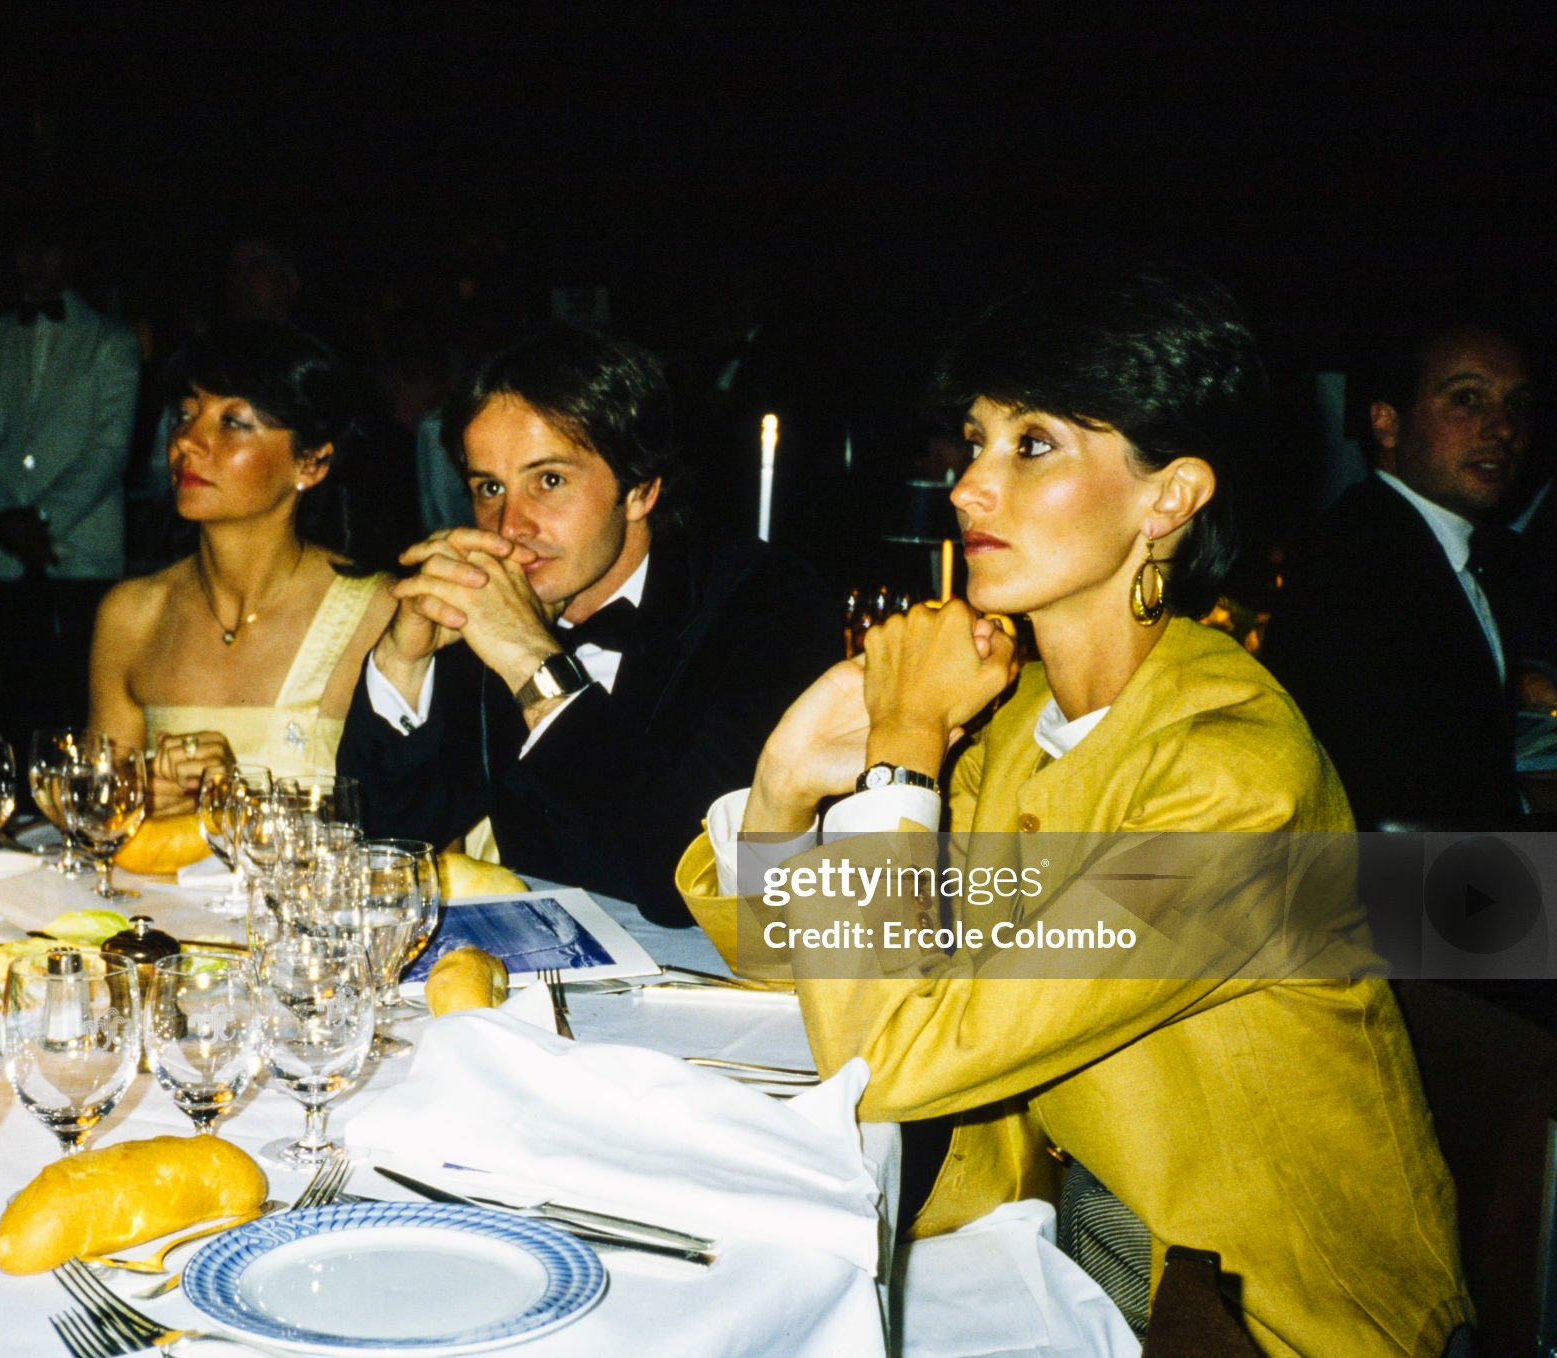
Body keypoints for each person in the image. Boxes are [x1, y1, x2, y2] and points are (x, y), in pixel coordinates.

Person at [678, 264, 1468, 1355]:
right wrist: (781, 788)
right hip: (1059, 1264)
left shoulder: (1234, 788)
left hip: (1262, 1321)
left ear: (1169, 496)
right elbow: (794, 961)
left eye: (1031, 444)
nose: (965, 487)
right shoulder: (1022, 721)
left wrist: (903, 762)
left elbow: (886, 1061)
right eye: (972, 440)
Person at [338, 324, 835, 926]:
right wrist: (404, 661)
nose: (509, 525)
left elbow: (690, 878)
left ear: (641, 489)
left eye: (549, 480)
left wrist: (533, 664)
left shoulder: (769, 603)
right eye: (488, 487)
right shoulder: (498, 598)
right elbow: (380, 848)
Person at [88, 320, 393, 811]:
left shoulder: (377, 613)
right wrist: (135, 797)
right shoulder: (131, 615)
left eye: (233, 422)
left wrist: (240, 799)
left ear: (311, 462)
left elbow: (413, 827)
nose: (188, 441)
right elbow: (95, 812)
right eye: (185, 414)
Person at [1262, 323, 1534, 828]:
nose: (1503, 429)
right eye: (1468, 400)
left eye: (1516, 406)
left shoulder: (1454, 550)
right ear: (1387, 424)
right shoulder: (1355, 567)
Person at [0, 228, 141, 740]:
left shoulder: (111, 341)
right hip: (7, 552)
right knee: (19, 696)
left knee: (85, 692)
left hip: (81, 549)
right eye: (26, 246)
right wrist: (6, 518)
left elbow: (109, 447)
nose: (35, 259)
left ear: (70, 254)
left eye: (48, 245)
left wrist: (41, 519)